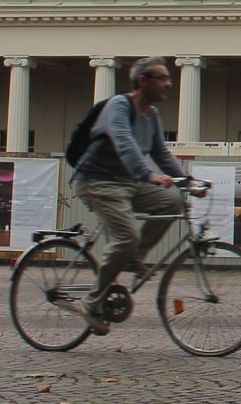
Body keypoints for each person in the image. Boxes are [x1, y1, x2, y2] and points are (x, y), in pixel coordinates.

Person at [72, 56, 203, 333]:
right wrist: (148, 175)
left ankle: (134, 255)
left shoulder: (152, 115)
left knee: (172, 201)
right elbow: (123, 141)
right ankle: (92, 301)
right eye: (162, 78)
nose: (169, 84)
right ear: (143, 81)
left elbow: (161, 153)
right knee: (126, 236)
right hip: (98, 181)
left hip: (127, 182)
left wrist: (187, 181)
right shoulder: (119, 106)